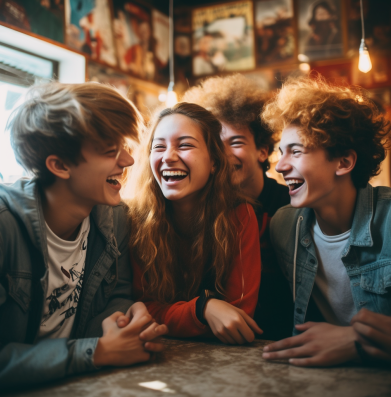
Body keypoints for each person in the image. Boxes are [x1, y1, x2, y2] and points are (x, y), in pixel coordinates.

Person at [0, 82, 168, 391]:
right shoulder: (0, 228)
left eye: (125, 147)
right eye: (110, 151)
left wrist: (128, 319)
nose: (128, 161)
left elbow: (115, 295)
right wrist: (96, 352)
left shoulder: (114, 217)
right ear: (59, 165)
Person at [261, 76, 391, 366]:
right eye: (281, 152)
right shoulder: (284, 227)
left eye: (296, 151)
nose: (280, 166)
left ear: (344, 162)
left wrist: (356, 341)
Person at [126, 102, 262, 344]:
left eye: (185, 145)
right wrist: (203, 309)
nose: (168, 156)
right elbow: (144, 310)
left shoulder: (239, 215)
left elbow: (237, 319)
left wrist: (172, 316)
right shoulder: (136, 219)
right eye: (158, 147)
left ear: (214, 163)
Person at [183, 74, 293, 341]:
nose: (224, 154)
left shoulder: (290, 205)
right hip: (214, 343)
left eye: (236, 142)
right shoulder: (199, 209)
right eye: (215, 145)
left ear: (262, 151)